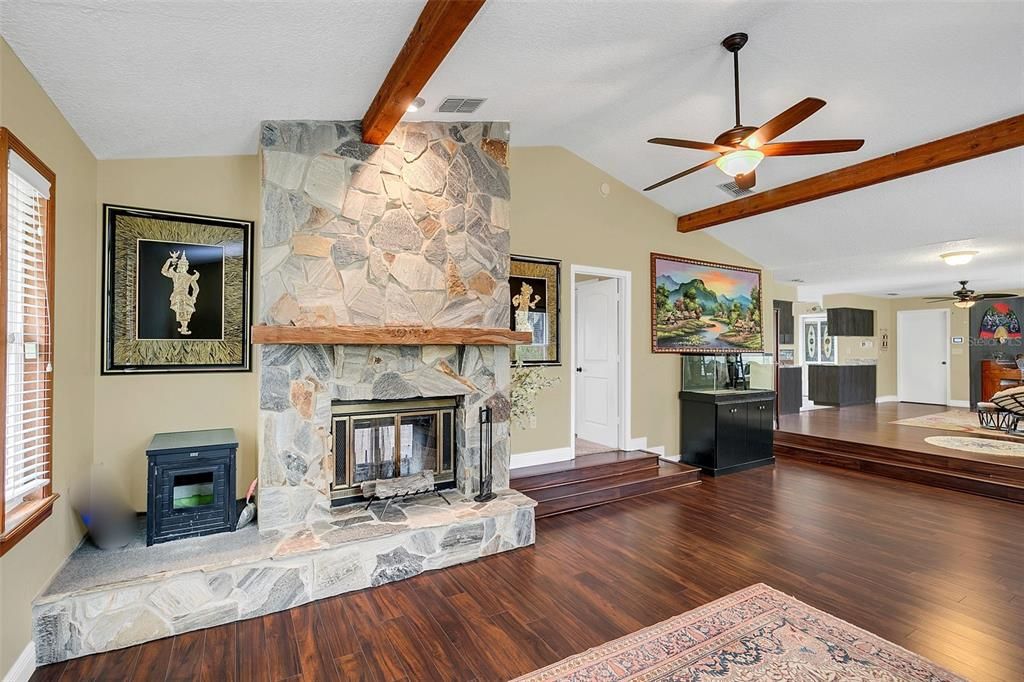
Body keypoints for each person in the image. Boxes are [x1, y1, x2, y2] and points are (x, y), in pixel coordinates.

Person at [160, 250, 200, 335]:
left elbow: (196, 288)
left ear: (185, 267)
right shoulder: (176, 275)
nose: (179, 267)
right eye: (179, 265)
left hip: (183, 296)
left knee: (184, 312)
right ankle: (183, 328)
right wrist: (169, 260)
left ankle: (184, 328)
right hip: (177, 296)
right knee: (182, 311)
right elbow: (163, 271)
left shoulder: (189, 277)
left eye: (181, 266)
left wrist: (193, 297)